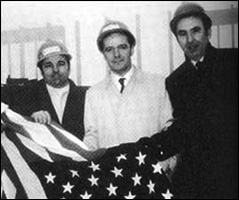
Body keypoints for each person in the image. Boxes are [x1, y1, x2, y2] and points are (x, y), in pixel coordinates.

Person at [164, 2, 238, 199]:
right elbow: (182, 132)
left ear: (208, 31)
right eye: (182, 34)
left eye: (195, 31)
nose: (190, 40)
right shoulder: (175, 81)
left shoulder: (232, 61)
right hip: (199, 179)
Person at [83, 20, 177, 173]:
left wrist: (165, 165)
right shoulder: (93, 94)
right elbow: (91, 137)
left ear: (132, 49)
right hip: (111, 180)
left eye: (122, 47)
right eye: (109, 49)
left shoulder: (157, 84)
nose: (116, 54)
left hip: (150, 178)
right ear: (103, 54)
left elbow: (169, 130)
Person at [27, 40, 86, 140]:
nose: (55, 70)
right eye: (48, 65)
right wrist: (30, 116)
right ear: (41, 71)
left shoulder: (86, 95)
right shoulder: (28, 95)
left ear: (69, 66)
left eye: (61, 64)